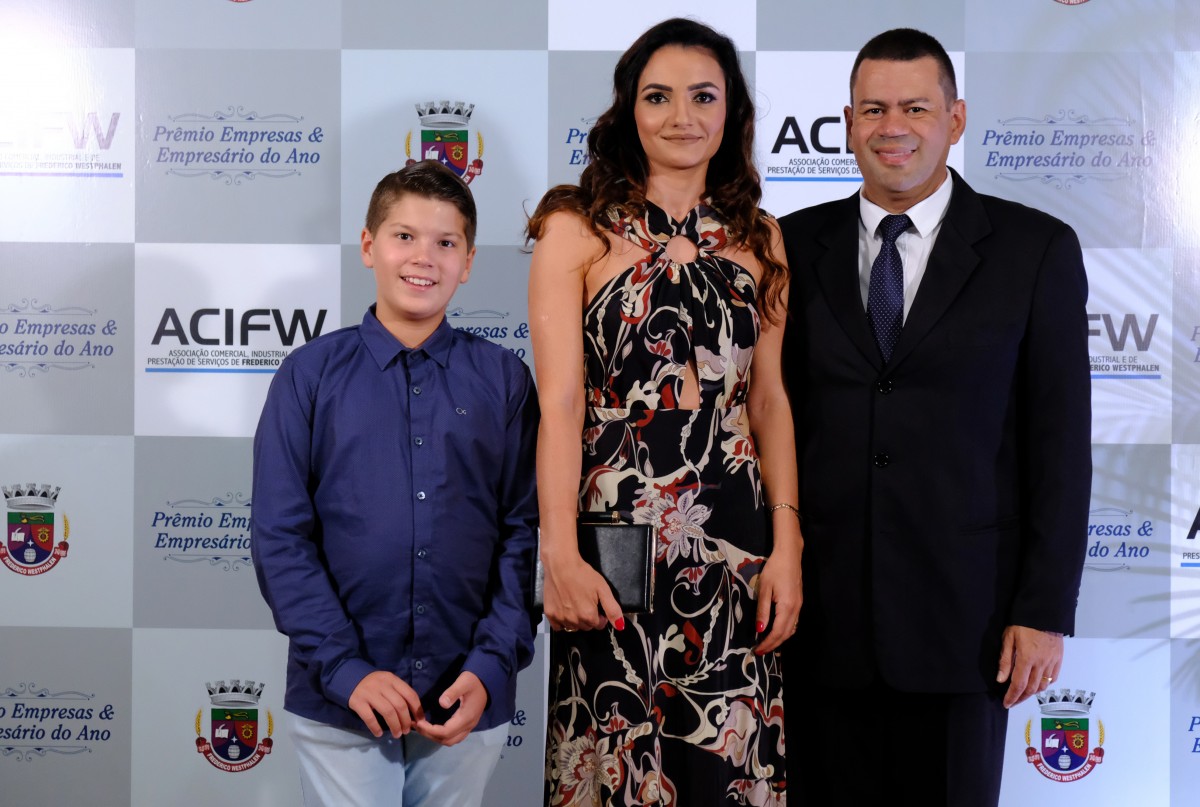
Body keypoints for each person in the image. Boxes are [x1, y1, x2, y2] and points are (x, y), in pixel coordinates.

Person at [778, 28, 1091, 806]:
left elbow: (1060, 447)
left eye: (916, 108)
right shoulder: (787, 245)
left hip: (967, 630)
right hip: (818, 628)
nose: (894, 127)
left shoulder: (1035, 250)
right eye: (874, 109)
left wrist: (1043, 611)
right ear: (847, 122)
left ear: (956, 119)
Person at [528, 17, 802, 805]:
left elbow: (769, 400)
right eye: (659, 96)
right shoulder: (575, 228)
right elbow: (560, 403)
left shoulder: (761, 239)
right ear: (630, 110)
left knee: (723, 758)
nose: (682, 116)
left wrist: (787, 542)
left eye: (703, 96)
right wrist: (559, 551)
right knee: (617, 748)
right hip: (613, 536)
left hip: (735, 536)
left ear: (732, 112)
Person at [251, 160, 539, 806]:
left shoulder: (504, 380)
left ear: (468, 262)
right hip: (340, 697)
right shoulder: (308, 375)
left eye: (446, 242)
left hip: (466, 694)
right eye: (404, 236)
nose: (423, 258)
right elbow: (280, 537)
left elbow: (525, 534)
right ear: (368, 245)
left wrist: (490, 666)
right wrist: (347, 668)